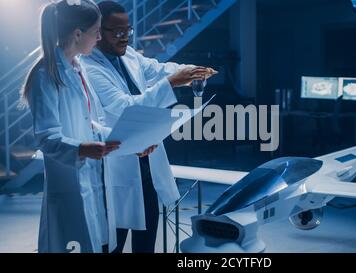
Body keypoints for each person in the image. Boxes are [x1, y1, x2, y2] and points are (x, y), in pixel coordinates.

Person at [81, 1, 217, 253]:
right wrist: (172, 83)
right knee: (113, 244)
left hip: (146, 161)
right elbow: (124, 106)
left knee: (146, 243)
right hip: (116, 165)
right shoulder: (89, 67)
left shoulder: (129, 55)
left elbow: (159, 69)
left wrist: (191, 72)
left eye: (128, 30)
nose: (124, 38)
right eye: (117, 32)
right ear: (98, 32)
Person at [21, 0, 121, 253]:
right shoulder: (45, 75)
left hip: (91, 178)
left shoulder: (78, 69)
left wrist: (125, 139)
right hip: (69, 182)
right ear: (77, 33)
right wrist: (82, 149)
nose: (99, 37)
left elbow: (88, 123)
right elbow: (47, 137)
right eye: (96, 31)